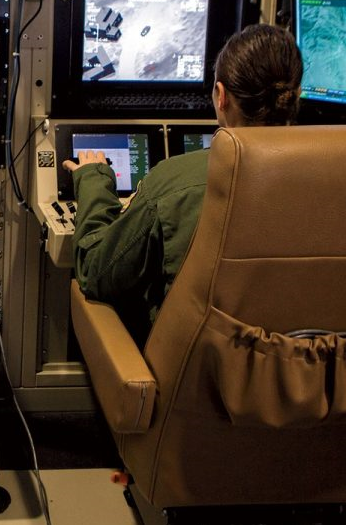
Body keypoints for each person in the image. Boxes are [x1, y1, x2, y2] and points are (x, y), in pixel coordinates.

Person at [62, 23, 303, 345]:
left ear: (221, 96)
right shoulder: (341, 177)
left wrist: (93, 179)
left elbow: (96, 272)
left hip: (196, 371)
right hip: (300, 370)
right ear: (294, 96)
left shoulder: (176, 182)